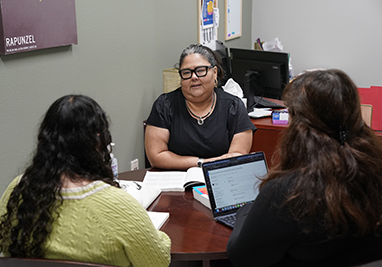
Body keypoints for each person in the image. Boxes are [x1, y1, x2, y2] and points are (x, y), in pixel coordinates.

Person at [227, 69, 382, 266]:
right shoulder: (375, 171)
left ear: (297, 124)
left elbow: (242, 257)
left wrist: (246, 209)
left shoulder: (288, 193)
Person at [0, 95, 171, 267]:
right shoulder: (118, 207)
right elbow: (158, 261)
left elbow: (5, 246)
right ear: (98, 141)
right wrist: (155, 235)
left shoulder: (18, 189)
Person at [145, 44, 256, 170]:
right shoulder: (165, 105)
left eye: (200, 71)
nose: (193, 77)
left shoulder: (233, 106)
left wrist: (208, 165)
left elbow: (236, 156)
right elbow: (156, 156)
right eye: (186, 72)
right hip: (175, 181)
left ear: (214, 73)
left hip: (220, 177)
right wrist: (202, 163)